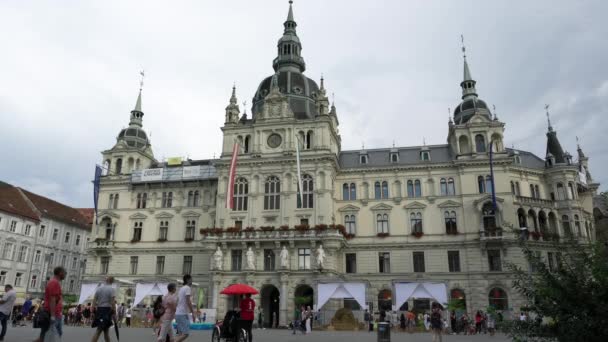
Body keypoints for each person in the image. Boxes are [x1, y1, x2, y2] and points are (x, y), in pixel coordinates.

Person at [39, 266, 66, 342]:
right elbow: (52, 299)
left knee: (46, 334)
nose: (65, 275)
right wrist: (53, 316)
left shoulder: (54, 282)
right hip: (53, 314)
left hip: (55, 313)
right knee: (54, 334)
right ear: (60, 273)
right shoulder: (54, 282)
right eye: (65, 273)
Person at [91, 276, 116, 342]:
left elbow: (94, 300)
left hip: (99, 310)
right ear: (112, 281)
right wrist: (114, 312)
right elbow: (113, 302)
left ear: (106, 281)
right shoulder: (111, 289)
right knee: (99, 330)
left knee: (106, 331)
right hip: (107, 310)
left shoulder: (99, 288)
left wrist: (92, 311)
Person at [175, 274, 195, 342]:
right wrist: (193, 312)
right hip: (182, 313)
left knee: (180, 334)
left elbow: (178, 301)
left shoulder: (181, 288)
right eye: (191, 279)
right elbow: (188, 301)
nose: (192, 281)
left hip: (178, 313)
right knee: (185, 334)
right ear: (187, 280)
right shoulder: (187, 288)